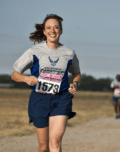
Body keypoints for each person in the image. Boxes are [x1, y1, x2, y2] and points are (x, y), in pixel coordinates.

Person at [11, 14, 81, 152]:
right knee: (43, 148)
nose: (52, 30)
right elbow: (14, 74)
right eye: (48, 27)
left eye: (56, 27)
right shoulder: (34, 51)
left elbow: (77, 73)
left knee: (55, 142)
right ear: (44, 31)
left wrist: (75, 84)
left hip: (62, 98)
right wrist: (26, 79)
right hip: (39, 99)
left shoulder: (69, 53)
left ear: (60, 31)